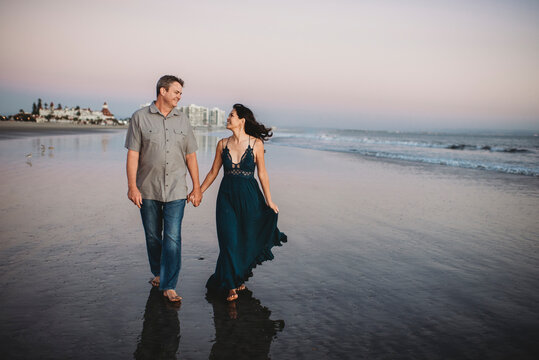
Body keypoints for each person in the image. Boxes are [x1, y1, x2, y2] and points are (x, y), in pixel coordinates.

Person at [197, 103, 287, 302]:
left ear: (242, 120)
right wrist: (199, 191)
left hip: (249, 197)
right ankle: (231, 286)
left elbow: (262, 174)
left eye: (231, 115)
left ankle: (236, 277)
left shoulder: (256, 144)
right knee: (228, 240)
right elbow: (213, 172)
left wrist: (269, 201)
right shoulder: (222, 144)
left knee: (245, 237)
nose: (228, 118)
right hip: (226, 198)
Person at [125, 75, 202, 302]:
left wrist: (196, 188)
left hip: (177, 189)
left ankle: (169, 284)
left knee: (173, 237)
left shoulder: (183, 120)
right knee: (152, 237)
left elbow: (191, 156)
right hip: (148, 189)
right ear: (162, 91)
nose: (179, 96)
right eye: (176, 92)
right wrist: (132, 187)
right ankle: (158, 272)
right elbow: (133, 154)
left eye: (180, 93)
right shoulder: (140, 118)